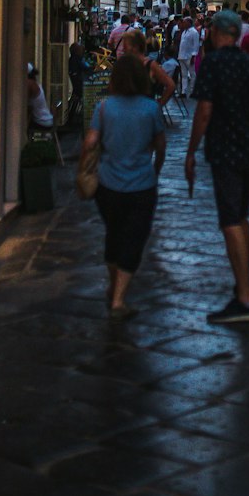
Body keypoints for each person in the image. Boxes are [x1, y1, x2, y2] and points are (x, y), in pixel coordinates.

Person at [185, 9, 249, 323]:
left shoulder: (213, 64)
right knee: (242, 217)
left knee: (230, 220)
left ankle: (246, 299)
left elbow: (204, 110)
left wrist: (191, 150)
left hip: (225, 151)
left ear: (218, 33)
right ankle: (243, 285)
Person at [81, 54, 166, 318]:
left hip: (108, 184)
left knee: (113, 234)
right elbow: (160, 146)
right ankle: (119, 298)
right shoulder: (150, 108)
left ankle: (113, 285)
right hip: (141, 185)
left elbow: (90, 143)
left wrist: (85, 167)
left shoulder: (104, 108)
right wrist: (156, 169)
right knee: (135, 238)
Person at [123, 28, 176, 111]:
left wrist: (158, 105)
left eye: (126, 46)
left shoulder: (150, 65)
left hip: (144, 113)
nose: (123, 49)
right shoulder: (125, 64)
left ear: (135, 47)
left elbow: (171, 85)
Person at [177, 14, 201, 98]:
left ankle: (192, 91)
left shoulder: (194, 32)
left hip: (189, 56)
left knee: (192, 74)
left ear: (189, 23)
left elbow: (196, 45)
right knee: (184, 75)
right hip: (182, 56)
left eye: (184, 22)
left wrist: (193, 56)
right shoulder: (184, 32)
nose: (183, 24)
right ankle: (183, 91)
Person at [27, 65, 53, 131]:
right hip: (47, 119)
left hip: (41, 121)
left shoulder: (30, 84)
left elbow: (26, 104)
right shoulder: (35, 83)